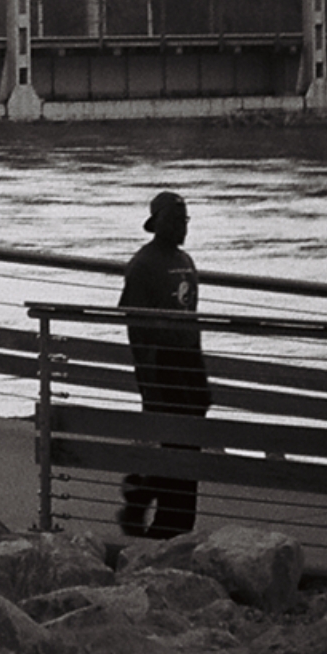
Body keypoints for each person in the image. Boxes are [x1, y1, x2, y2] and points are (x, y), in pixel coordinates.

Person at [117, 190, 209, 539]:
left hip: (189, 363)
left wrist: (201, 376)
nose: (182, 227)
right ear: (157, 224)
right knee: (174, 446)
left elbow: (192, 320)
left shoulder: (186, 261)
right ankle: (163, 522)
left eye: (185, 221)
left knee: (189, 447)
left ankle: (154, 506)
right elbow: (136, 329)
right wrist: (150, 384)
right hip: (162, 365)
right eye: (175, 221)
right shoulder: (143, 265)